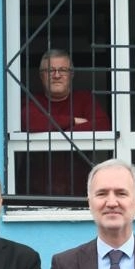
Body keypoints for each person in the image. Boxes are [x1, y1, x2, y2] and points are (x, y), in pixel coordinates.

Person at [21, 50, 114, 198]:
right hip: (37, 189)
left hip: (80, 189)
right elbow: (29, 122)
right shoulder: (32, 100)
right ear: (41, 75)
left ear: (71, 74)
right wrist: (73, 121)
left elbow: (103, 125)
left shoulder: (85, 99)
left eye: (63, 70)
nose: (56, 75)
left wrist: (52, 126)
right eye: (50, 70)